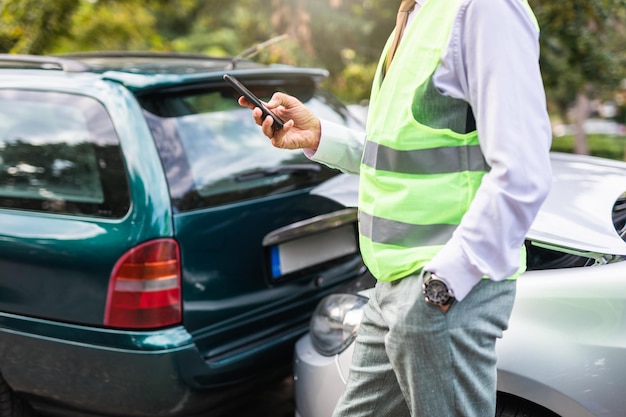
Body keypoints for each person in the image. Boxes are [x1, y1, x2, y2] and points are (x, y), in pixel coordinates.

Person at [239, 0, 552, 415]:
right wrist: (318, 136)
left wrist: (443, 285)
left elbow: (524, 171)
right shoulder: (417, 14)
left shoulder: (484, 8)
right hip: (394, 290)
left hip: (441, 292)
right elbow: (397, 155)